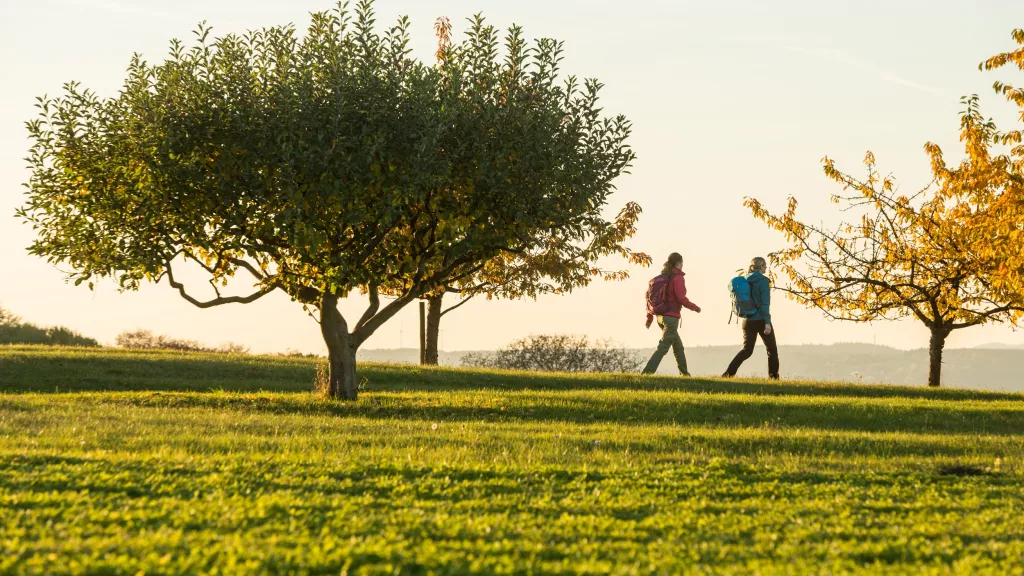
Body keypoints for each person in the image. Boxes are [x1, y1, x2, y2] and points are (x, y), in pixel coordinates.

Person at [642, 252, 701, 375]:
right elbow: (681, 298)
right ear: (678, 263)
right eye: (682, 263)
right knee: (662, 348)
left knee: (678, 348)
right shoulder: (677, 278)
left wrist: (649, 318)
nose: (682, 266)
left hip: (660, 317)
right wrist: (695, 308)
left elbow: (648, 298)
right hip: (671, 318)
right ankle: (647, 373)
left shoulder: (660, 278)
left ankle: (685, 374)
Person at [723, 256, 779, 379]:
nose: (766, 268)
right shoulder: (764, 281)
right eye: (765, 266)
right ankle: (773, 377)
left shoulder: (745, 279)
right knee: (772, 350)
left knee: (747, 350)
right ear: (761, 266)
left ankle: (728, 374)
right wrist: (767, 323)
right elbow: (765, 304)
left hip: (747, 320)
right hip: (760, 320)